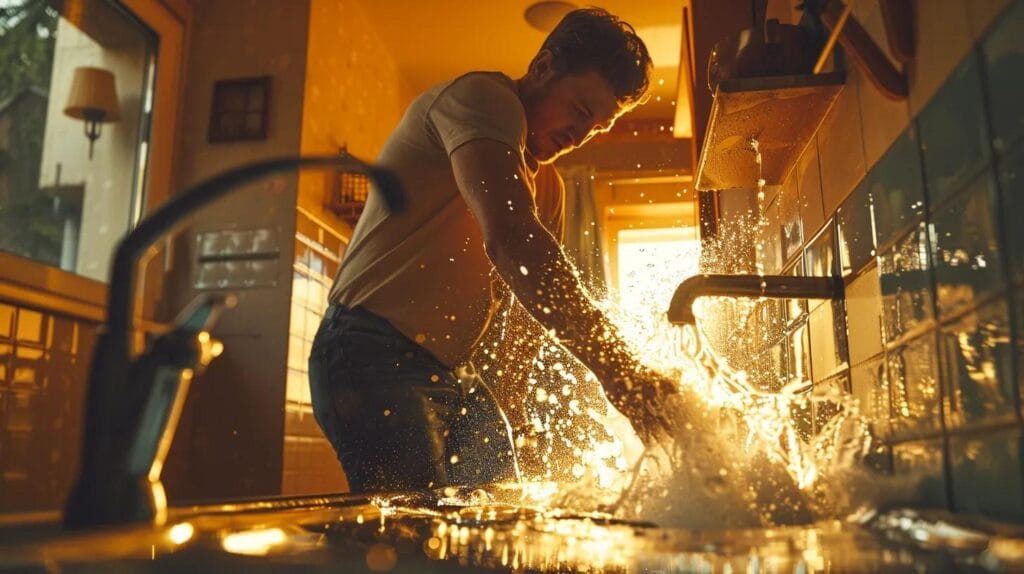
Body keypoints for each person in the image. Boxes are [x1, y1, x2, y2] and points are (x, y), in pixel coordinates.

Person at [308, 7, 675, 493]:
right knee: (414, 541)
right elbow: (511, 240)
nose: (580, 135)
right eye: (580, 111)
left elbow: (528, 311)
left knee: (498, 515)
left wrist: (514, 406)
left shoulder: (550, 188)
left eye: (598, 127)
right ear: (543, 68)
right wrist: (620, 372)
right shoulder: (481, 98)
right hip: (368, 347)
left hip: (454, 370)